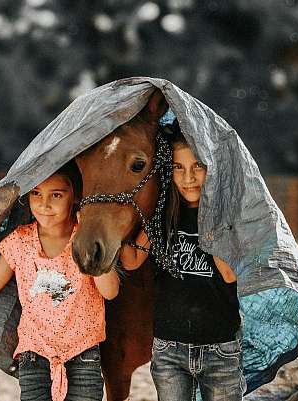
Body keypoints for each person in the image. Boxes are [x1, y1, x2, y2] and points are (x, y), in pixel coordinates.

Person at [0, 161, 120, 401]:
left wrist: (89, 234)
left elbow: (110, 291)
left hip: (83, 357)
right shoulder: (20, 241)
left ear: (75, 197)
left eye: (56, 195)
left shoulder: (85, 239)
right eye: (36, 194)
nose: (44, 204)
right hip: (34, 358)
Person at [120, 124, 245, 401]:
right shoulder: (163, 218)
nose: (188, 177)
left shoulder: (228, 218)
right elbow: (131, 261)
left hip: (221, 348)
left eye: (197, 166)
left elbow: (229, 274)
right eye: (178, 167)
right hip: (169, 349)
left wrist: (210, 218)